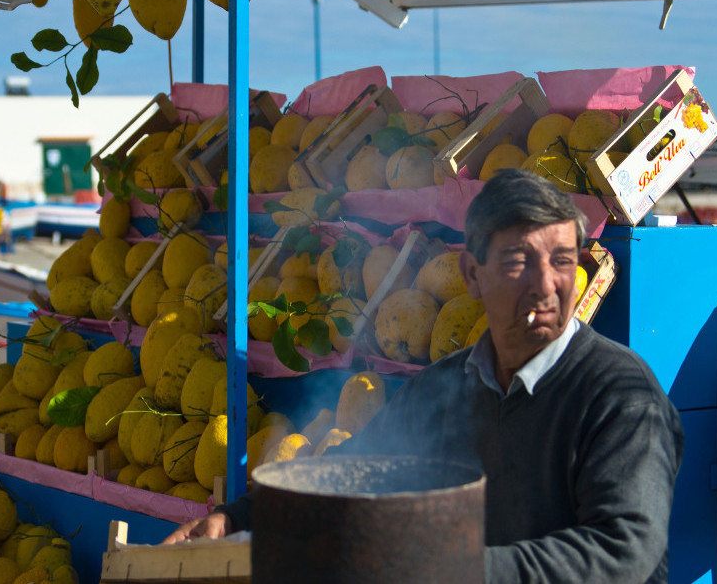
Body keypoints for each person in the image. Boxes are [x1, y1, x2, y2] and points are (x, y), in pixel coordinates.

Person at [164, 169, 685, 584]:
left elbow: (624, 551)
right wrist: (240, 520)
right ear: (472, 276)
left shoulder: (621, 396)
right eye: (518, 261)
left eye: (563, 261)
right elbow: (355, 475)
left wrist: (453, 569)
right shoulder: (444, 385)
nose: (546, 284)